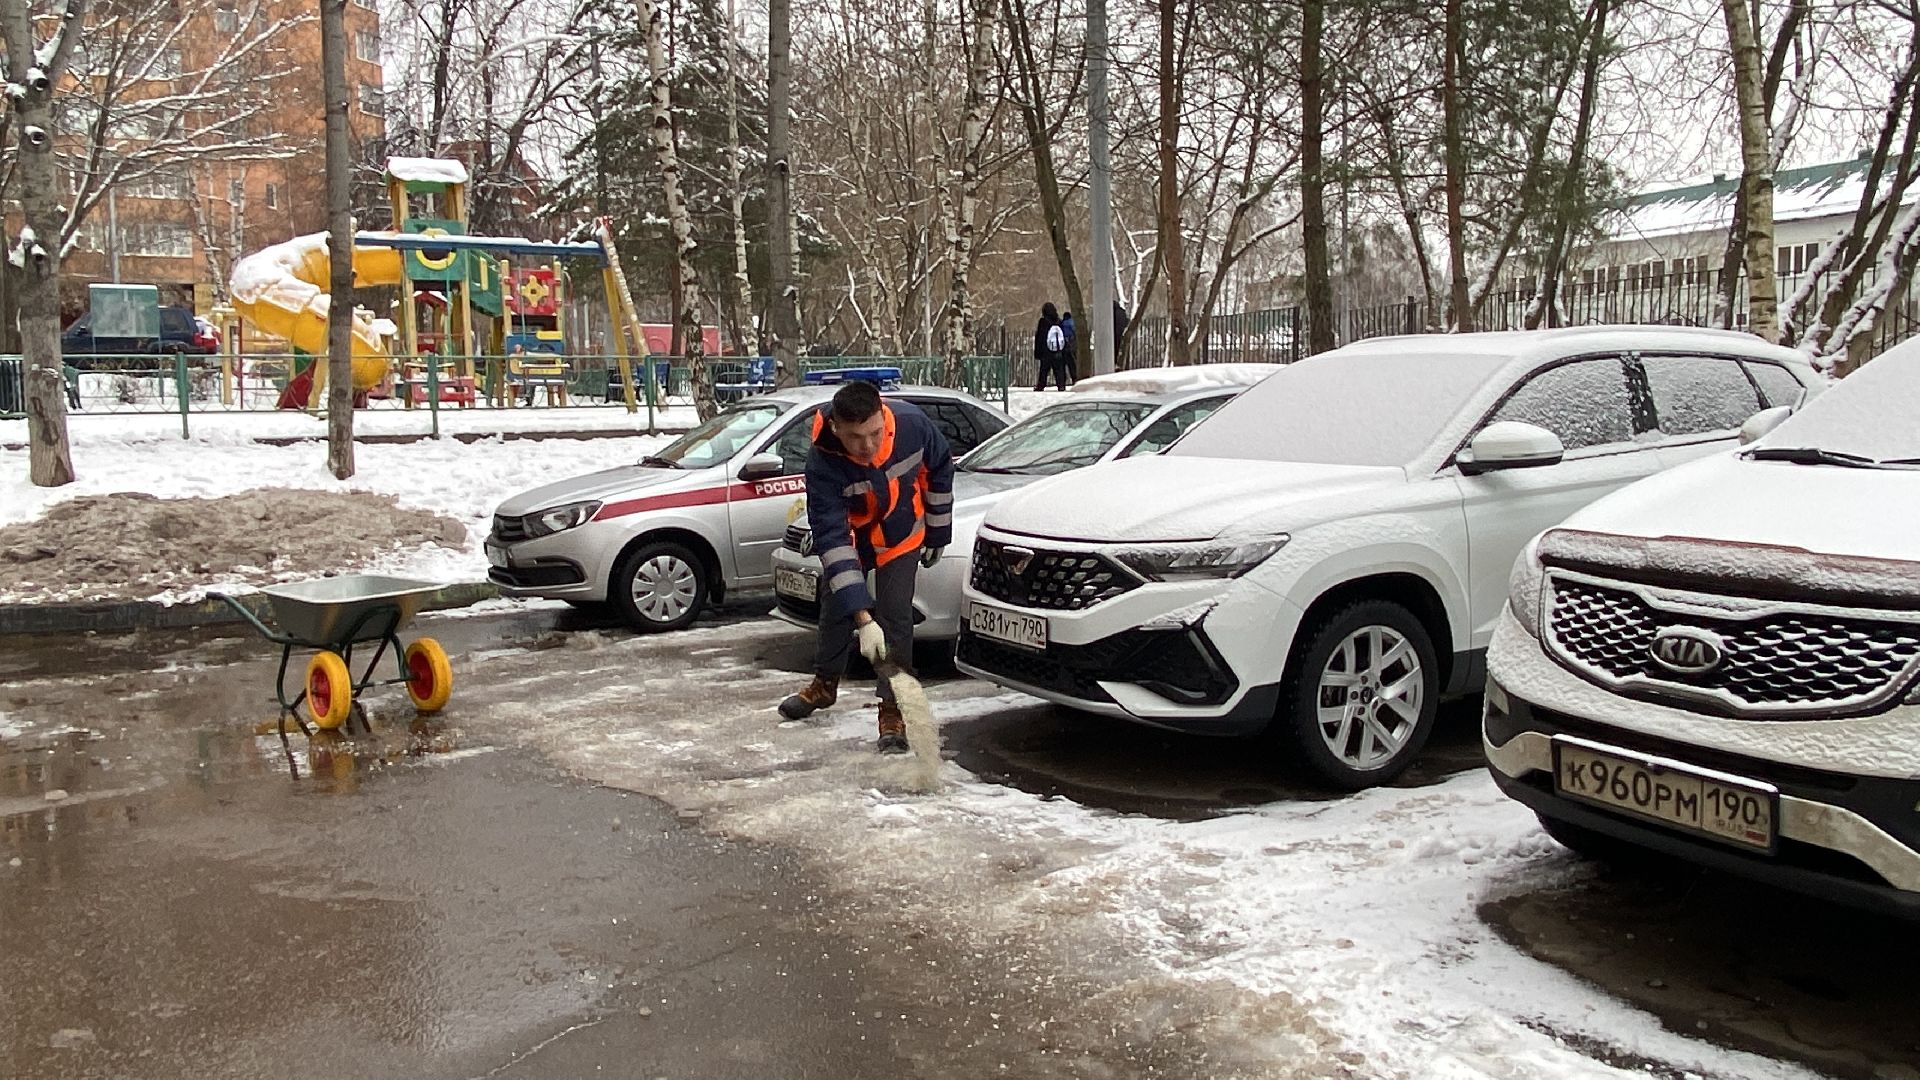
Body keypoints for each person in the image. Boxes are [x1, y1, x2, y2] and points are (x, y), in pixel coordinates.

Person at [779, 380, 955, 753]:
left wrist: (938, 531)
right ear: (835, 428)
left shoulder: (912, 424)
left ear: (883, 414)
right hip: (854, 541)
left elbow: (939, 468)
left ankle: (892, 709)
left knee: (895, 618)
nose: (869, 445)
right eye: (856, 437)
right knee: (835, 606)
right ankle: (824, 685)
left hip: (900, 534)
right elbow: (832, 538)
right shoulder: (822, 461)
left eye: (875, 432)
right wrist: (862, 619)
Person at [1033, 302, 1070, 391]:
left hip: (1046, 351)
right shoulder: (1059, 321)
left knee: (1044, 369)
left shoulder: (1043, 322)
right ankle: (1061, 384)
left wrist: (1038, 352)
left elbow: (1040, 337)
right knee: (1059, 369)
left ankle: (1041, 385)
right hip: (1058, 350)